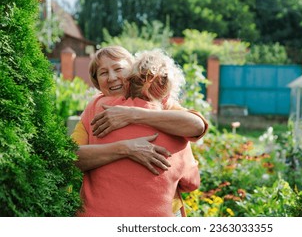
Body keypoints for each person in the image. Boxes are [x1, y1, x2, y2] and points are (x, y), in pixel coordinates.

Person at [72, 46, 207, 216]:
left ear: (133, 71)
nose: (112, 78)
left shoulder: (163, 103)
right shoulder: (94, 108)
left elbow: (197, 125)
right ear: (97, 82)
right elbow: (72, 156)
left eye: (118, 69)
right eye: (103, 73)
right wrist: (126, 148)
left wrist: (133, 115)